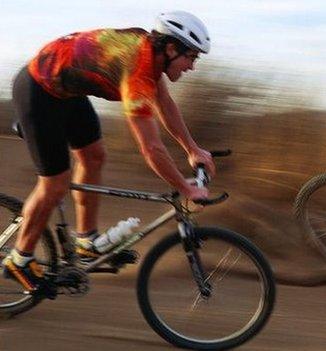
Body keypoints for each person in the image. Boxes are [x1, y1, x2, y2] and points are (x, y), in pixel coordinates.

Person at [3, 11, 216, 294]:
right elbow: (151, 148)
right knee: (55, 184)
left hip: (66, 91)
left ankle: (86, 242)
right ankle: (20, 260)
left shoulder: (151, 56)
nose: (192, 66)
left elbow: (164, 102)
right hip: (38, 90)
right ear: (171, 48)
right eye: (191, 57)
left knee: (94, 156)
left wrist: (193, 149)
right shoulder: (137, 70)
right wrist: (185, 189)